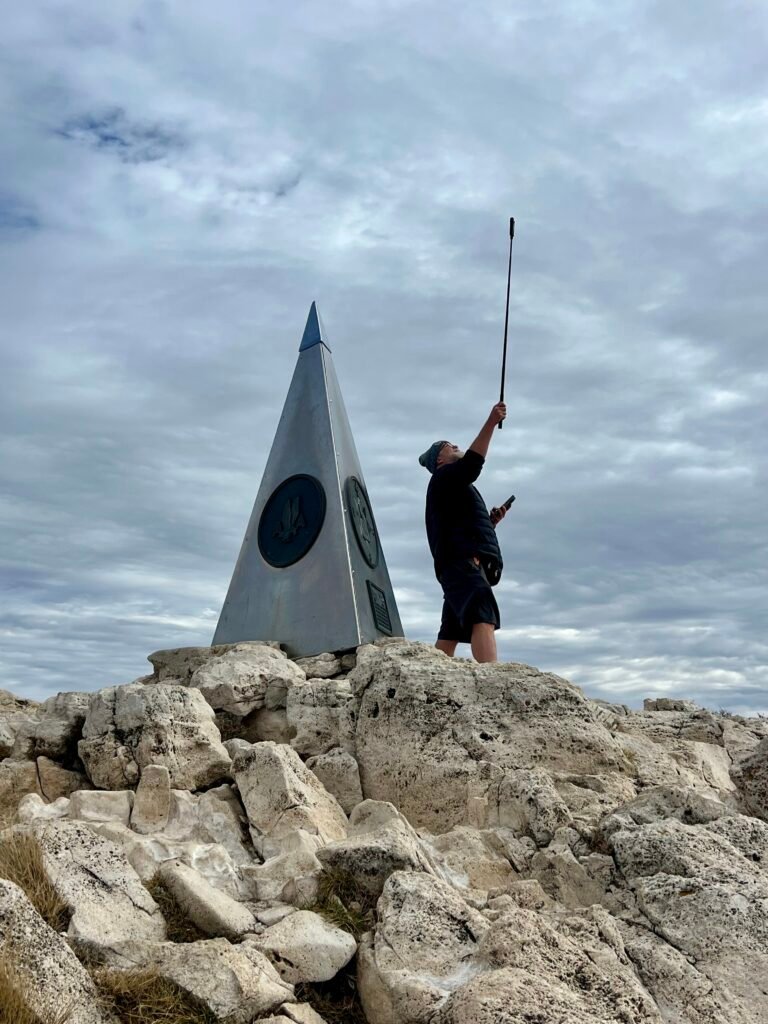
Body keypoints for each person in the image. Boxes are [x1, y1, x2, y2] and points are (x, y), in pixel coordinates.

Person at [418, 402, 508, 662]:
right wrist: (491, 421)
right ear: (440, 460)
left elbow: (457, 527)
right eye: (451, 447)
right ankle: (494, 680)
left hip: (454, 564)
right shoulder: (445, 477)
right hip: (462, 564)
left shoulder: (447, 486)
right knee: (482, 609)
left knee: (451, 629)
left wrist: (490, 524)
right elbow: (472, 464)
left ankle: (431, 677)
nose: (457, 447)